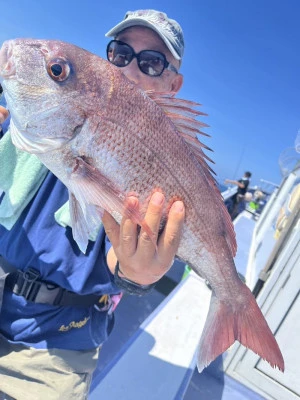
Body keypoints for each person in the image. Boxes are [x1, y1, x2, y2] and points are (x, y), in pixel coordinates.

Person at [0, 9, 186, 400]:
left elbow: (125, 265)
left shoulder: (162, 164)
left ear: (173, 84)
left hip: (55, 345)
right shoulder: (42, 118)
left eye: (152, 63)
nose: (129, 68)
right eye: (120, 53)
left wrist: (140, 275)